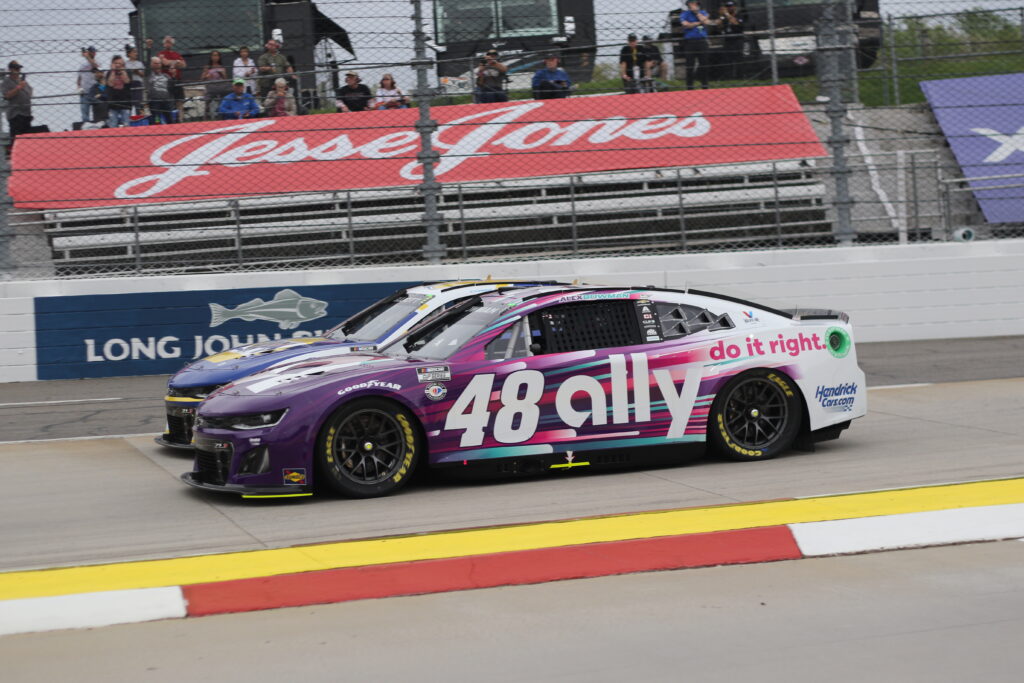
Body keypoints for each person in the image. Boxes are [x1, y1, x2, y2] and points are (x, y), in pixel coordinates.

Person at [679, 0, 716, 90]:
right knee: (690, 65)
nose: (693, 5)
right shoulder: (685, 14)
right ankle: (690, 87)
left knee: (704, 64)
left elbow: (706, 22)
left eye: (695, 3)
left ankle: (704, 85)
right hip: (690, 42)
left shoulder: (703, 12)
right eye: (691, 4)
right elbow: (686, 25)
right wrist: (699, 23)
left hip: (702, 41)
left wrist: (697, 13)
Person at [1, 61, 39, 144]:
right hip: (16, 115)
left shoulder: (23, 81)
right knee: (17, 139)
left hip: (26, 114)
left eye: (18, 69)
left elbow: (30, 93)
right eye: (15, 68)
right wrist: (19, 87)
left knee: (27, 140)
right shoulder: (7, 81)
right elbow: (7, 96)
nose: (18, 70)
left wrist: (23, 87)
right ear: (10, 69)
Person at [152, 36, 186, 119]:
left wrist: (172, 62)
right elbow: (165, 63)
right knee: (168, 102)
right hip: (166, 81)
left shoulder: (176, 54)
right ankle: (171, 119)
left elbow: (184, 65)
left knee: (179, 101)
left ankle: (180, 119)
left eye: (169, 42)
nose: (168, 44)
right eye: (166, 42)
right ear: (163, 44)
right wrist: (177, 61)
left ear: (172, 43)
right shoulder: (161, 54)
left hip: (177, 80)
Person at [717, 1, 745, 80]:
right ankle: (728, 77)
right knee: (727, 59)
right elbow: (719, 26)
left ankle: (740, 77)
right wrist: (721, 16)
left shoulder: (739, 15)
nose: (729, 8)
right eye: (728, 7)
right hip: (728, 40)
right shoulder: (724, 16)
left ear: (734, 7)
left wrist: (727, 14)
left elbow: (735, 23)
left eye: (731, 6)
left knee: (739, 58)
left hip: (737, 39)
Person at [201, 50, 231, 117]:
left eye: (217, 56)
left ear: (219, 57)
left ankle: (223, 113)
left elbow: (226, 79)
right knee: (207, 99)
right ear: (211, 57)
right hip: (211, 86)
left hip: (220, 86)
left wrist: (222, 74)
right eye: (214, 56)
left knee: (225, 94)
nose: (215, 57)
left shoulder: (221, 67)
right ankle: (206, 115)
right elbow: (202, 78)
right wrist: (207, 76)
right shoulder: (207, 67)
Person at [145, 56, 175, 124]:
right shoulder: (148, 75)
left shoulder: (166, 76)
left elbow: (172, 87)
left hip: (166, 100)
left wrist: (173, 75)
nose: (158, 65)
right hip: (154, 101)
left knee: (170, 119)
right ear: (151, 64)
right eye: (155, 63)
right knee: (156, 120)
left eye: (159, 63)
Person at [105, 55, 132, 127]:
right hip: (113, 103)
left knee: (126, 125)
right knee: (113, 125)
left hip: (125, 103)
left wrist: (122, 70)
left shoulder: (127, 71)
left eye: (119, 63)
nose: (118, 65)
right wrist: (113, 71)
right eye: (116, 63)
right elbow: (110, 84)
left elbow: (127, 81)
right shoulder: (109, 73)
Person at [76, 46, 99, 122]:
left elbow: (95, 66)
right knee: (85, 115)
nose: (93, 53)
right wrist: (79, 88)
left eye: (94, 52)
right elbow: (79, 79)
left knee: (98, 113)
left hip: (95, 92)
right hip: (84, 93)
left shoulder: (97, 62)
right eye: (91, 52)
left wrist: (87, 57)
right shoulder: (82, 65)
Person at [124, 45, 146, 115]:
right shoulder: (125, 64)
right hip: (129, 84)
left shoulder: (139, 63)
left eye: (136, 52)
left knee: (138, 103)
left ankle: (139, 116)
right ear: (129, 53)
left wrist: (137, 72)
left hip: (138, 84)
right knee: (129, 103)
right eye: (134, 52)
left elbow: (143, 74)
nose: (136, 53)